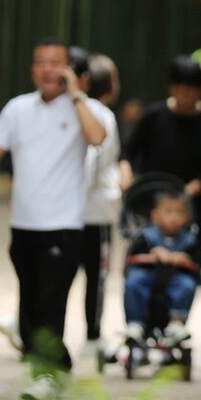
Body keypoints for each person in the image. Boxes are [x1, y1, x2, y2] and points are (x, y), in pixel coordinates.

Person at [0, 39, 108, 400]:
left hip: (64, 225)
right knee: (29, 306)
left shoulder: (85, 109)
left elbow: (97, 137)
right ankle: (58, 364)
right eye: (41, 62)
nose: (47, 69)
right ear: (32, 69)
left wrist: (76, 95)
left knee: (50, 302)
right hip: (24, 224)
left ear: (69, 69)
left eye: (56, 63)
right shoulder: (18, 109)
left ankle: (45, 376)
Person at [119, 55, 201, 264]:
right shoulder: (154, 115)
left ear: (200, 89)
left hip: (189, 209)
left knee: (187, 264)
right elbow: (128, 151)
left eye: (189, 90)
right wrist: (126, 175)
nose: (184, 96)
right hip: (152, 206)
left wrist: (185, 194)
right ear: (171, 88)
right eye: (179, 89)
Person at [78, 52, 122, 355]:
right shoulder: (102, 114)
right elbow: (92, 162)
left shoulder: (79, 110)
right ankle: (92, 337)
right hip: (93, 211)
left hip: (74, 210)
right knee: (97, 276)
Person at [123, 190, 201, 348]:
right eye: (168, 212)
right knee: (133, 282)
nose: (174, 217)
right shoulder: (145, 236)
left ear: (186, 217)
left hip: (175, 278)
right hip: (148, 276)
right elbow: (132, 259)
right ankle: (135, 324)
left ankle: (176, 322)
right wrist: (153, 253)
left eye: (179, 212)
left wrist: (184, 258)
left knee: (187, 284)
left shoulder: (189, 240)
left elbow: (197, 264)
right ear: (155, 215)